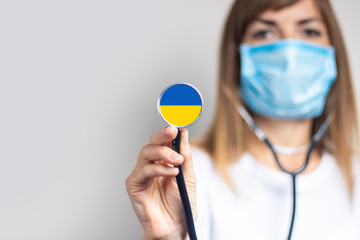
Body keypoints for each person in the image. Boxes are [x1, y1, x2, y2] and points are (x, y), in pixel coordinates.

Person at [126, 0, 360, 239]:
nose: (289, 51)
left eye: (309, 31)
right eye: (265, 32)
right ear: (237, 60)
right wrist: (169, 236)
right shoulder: (186, 174)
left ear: (334, 54)